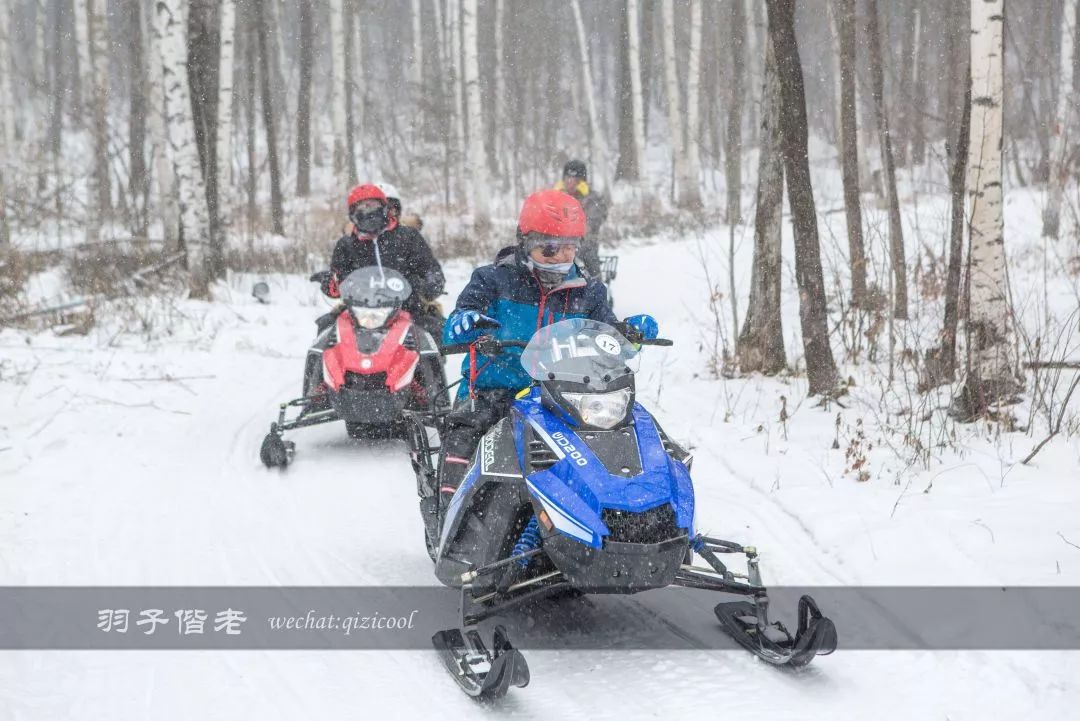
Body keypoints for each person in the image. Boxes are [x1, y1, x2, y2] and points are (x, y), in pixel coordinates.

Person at [421, 189, 657, 537]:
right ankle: (450, 523)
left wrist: (629, 334)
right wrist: (464, 322)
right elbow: (456, 323)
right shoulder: (492, 280)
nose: (560, 257)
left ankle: (625, 520)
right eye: (549, 248)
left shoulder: (589, 291)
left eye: (569, 248)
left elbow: (607, 340)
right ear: (525, 242)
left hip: (562, 396)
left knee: (618, 437)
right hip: (494, 391)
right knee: (464, 437)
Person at [324, 183, 446, 340]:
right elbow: (337, 279)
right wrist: (330, 283)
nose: (368, 212)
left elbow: (431, 270)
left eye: (372, 205)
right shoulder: (346, 245)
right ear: (353, 213)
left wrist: (425, 285)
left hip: (408, 309)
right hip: (359, 313)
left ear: (384, 208)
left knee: (437, 333)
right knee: (326, 329)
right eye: (362, 207)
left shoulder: (408, 237)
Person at [554, 159, 609, 278]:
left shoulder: (593, 199)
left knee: (588, 255)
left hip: (584, 245)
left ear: (581, 181)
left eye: (575, 179)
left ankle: (595, 281)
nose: (570, 181)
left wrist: (572, 233)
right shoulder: (555, 197)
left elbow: (591, 223)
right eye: (567, 178)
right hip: (558, 244)